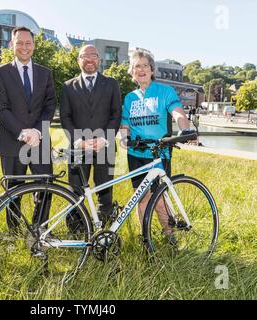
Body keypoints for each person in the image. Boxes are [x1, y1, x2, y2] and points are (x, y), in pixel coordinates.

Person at [120, 49, 191, 244]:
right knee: (141, 198)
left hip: (159, 152)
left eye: (145, 65)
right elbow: (125, 125)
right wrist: (124, 138)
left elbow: (177, 112)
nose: (141, 69)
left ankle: (170, 237)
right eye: (136, 66)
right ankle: (145, 238)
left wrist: (184, 130)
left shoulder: (165, 91)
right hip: (136, 153)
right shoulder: (129, 98)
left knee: (160, 198)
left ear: (152, 70)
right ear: (132, 72)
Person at [0, 26, 56, 228]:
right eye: (19, 42)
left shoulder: (46, 74)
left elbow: (49, 106)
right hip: (12, 141)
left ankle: (40, 231)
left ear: (34, 45)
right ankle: (14, 233)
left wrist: (37, 131)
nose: (24, 47)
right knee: (13, 191)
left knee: (45, 188)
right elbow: (1, 108)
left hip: (40, 141)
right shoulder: (1, 72)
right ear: (12, 45)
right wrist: (22, 132)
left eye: (28, 43)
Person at [60, 45, 122, 229]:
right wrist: (79, 141)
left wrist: (104, 139)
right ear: (78, 60)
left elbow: (116, 114)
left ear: (98, 59)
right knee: (75, 192)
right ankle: (76, 231)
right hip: (78, 148)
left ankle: (105, 232)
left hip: (105, 146)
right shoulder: (68, 86)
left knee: (105, 191)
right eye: (84, 56)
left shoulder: (112, 84)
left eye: (93, 56)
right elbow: (65, 117)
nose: (89, 60)